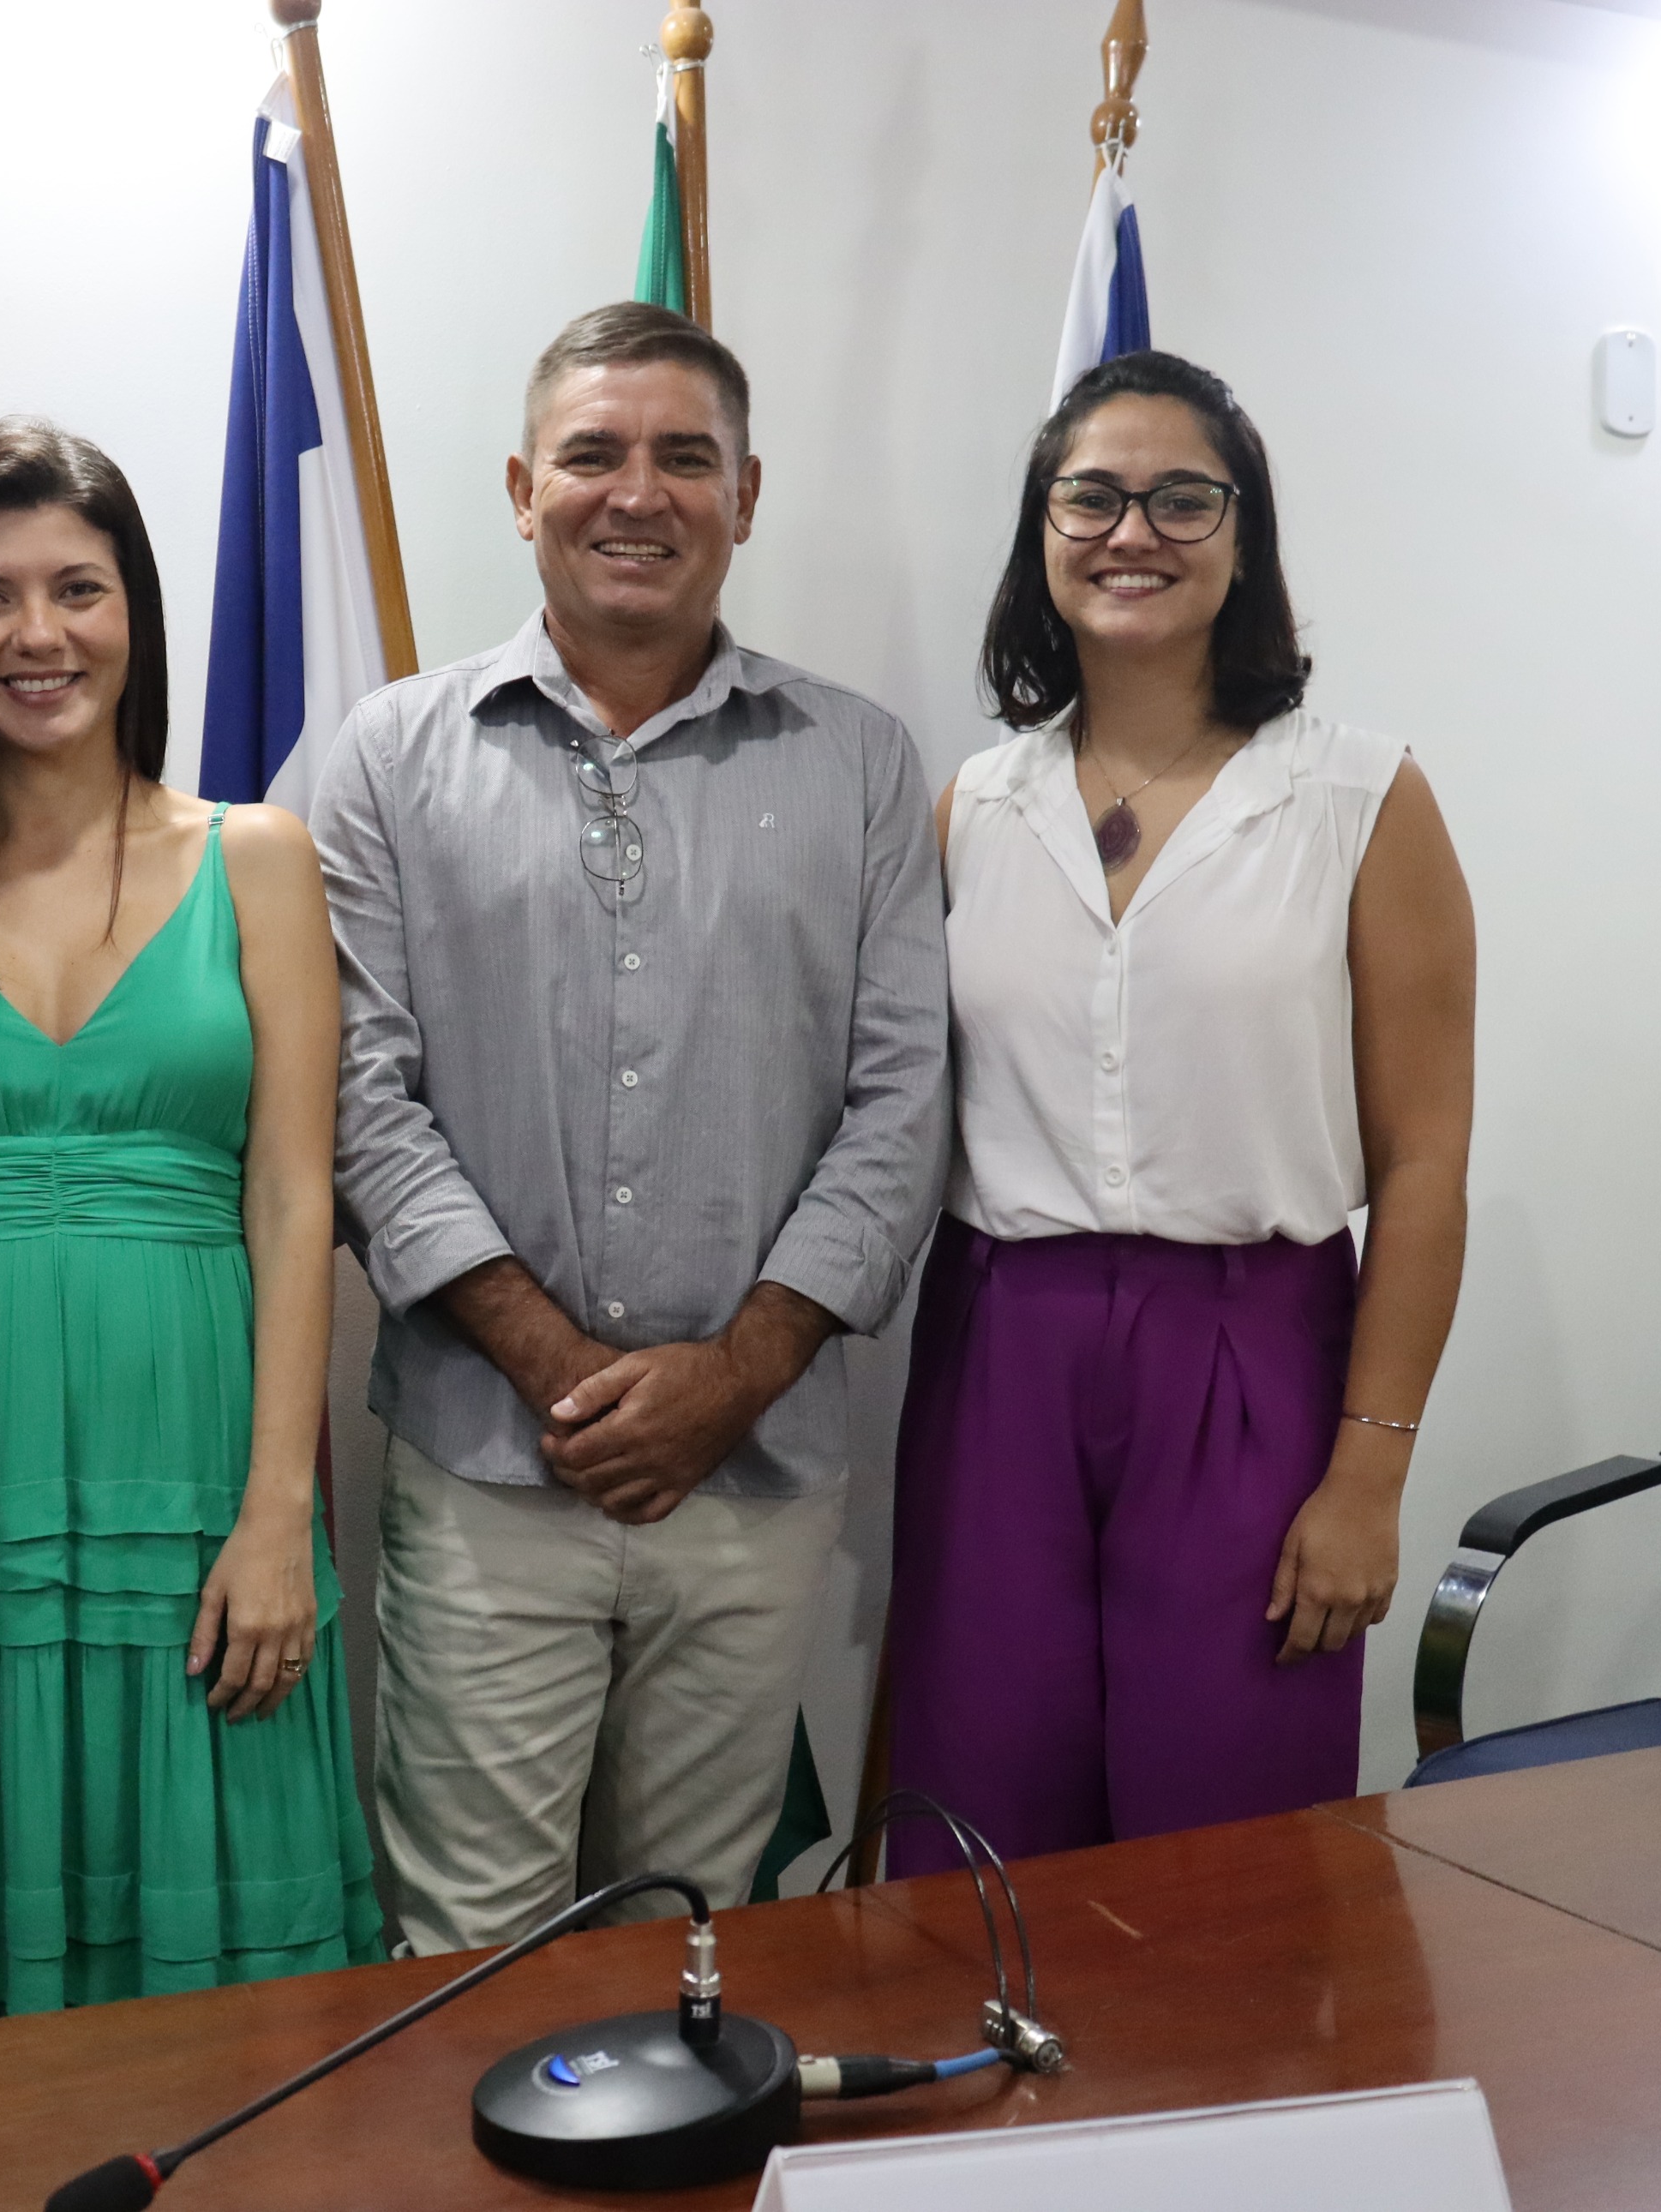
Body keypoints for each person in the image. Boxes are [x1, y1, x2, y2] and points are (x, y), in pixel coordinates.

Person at [308, 303, 949, 1952]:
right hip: (487, 1466)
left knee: (704, 1942)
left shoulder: (863, 766)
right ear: (523, 488)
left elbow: (901, 1100)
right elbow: (360, 1099)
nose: (638, 493)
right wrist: (564, 1373)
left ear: (749, 493)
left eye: (686, 457)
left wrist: (730, 1377)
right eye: (592, 453)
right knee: (471, 1946)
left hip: (757, 1470)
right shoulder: (392, 757)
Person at [0, 419, 382, 2035]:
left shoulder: (259, 861)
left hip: (196, 1489)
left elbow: (294, 1202)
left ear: (137, 616)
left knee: (223, 1956)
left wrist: (280, 1514)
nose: (36, 634)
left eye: (79, 589)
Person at [884, 351, 1477, 1866]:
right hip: (1000, 1352)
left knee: (1231, 1836)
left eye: (1181, 499)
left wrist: (1371, 1473)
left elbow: (1423, 1166)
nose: (1131, 532)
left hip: (1250, 1358)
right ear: (1041, 531)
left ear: (1243, 534)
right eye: (1090, 496)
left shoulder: (1360, 799)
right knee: (979, 1814)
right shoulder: (973, 808)